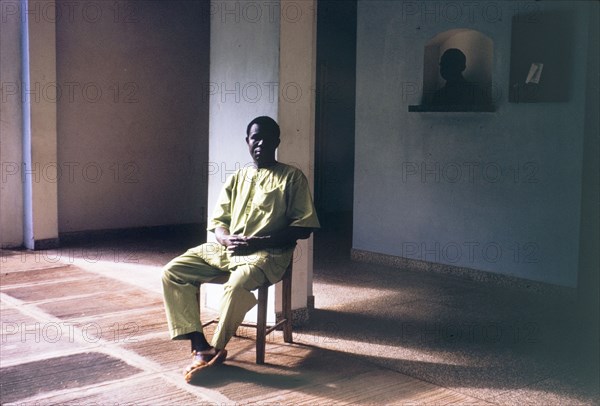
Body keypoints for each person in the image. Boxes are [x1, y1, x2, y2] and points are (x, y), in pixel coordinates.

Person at [161, 116, 319, 382]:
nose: (261, 143)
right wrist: (224, 238)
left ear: (277, 142)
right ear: (247, 141)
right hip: (229, 250)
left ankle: (215, 350)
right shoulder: (238, 177)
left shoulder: (292, 177)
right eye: (255, 138)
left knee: (236, 285)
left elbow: (304, 228)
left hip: (268, 254)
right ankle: (200, 345)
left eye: (267, 138)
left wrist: (262, 240)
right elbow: (219, 222)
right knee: (173, 271)